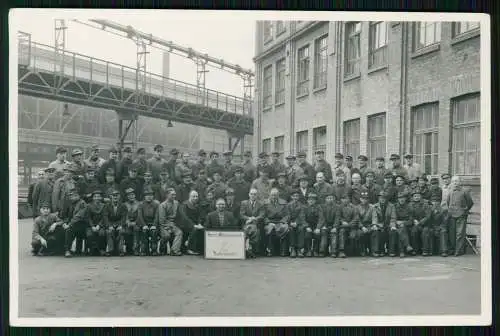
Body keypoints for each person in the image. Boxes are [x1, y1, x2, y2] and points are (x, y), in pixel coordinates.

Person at [443, 176, 474, 256]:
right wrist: (451, 210)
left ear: (460, 182)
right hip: (452, 214)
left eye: (457, 181)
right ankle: (453, 249)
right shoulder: (450, 191)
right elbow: (448, 202)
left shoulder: (465, 191)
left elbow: (470, 203)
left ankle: (458, 251)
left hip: (461, 215)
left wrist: (464, 210)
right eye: (453, 181)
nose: (455, 183)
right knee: (452, 234)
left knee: (460, 233)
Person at [60, 188, 88, 258]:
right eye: (71, 196)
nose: (72, 197)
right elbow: (67, 216)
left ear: (78, 196)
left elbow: (78, 216)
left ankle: (67, 250)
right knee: (64, 228)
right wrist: (64, 223)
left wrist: (69, 225)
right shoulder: (71, 204)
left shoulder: (82, 203)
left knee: (70, 230)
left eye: (75, 195)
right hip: (75, 224)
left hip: (83, 224)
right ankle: (74, 250)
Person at [262, 188, 289, 257]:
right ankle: (270, 250)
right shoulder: (265, 203)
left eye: (276, 195)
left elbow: (287, 215)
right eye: (272, 195)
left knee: (285, 228)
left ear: (278, 195)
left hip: (280, 221)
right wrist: (268, 222)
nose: (274, 196)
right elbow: (263, 215)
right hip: (270, 222)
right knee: (269, 229)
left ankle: (283, 251)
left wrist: (283, 222)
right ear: (270, 195)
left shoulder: (283, 202)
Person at [240, 188, 265, 258]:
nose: (253, 195)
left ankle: (250, 249)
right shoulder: (244, 203)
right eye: (251, 194)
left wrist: (254, 219)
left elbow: (262, 215)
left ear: (257, 195)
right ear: (249, 195)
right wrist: (248, 219)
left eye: (255, 194)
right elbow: (241, 214)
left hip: (256, 224)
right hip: (246, 223)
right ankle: (248, 249)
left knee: (254, 229)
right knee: (249, 228)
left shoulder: (261, 204)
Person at [158, 188, 183, 256]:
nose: (174, 196)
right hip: (164, 224)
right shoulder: (162, 205)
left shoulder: (176, 203)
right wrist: (168, 227)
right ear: (167, 195)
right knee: (166, 235)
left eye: (175, 195)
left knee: (179, 232)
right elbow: (162, 220)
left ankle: (174, 250)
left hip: (174, 224)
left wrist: (175, 225)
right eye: (172, 195)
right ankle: (162, 248)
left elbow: (179, 216)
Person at [103, 189, 128, 256]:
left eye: (117, 195)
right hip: (110, 224)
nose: (115, 197)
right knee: (109, 232)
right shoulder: (107, 206)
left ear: (119, 196)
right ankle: (111, 250)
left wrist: (121, 225)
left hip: (120, 224)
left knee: (121, 231)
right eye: (113, 195)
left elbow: (124, 217)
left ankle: (120, 250)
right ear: (110, 197)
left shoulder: (123, 206)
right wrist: (109, 225)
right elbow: (105, 217)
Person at [333, 193, 359, 258]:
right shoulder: (339, 207)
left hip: (352, 226)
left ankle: (355, 251)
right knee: (342, 232)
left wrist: (350, 224)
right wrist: (342, 221)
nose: (345, 200)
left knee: (353, 235)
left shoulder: (354, 207)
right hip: (343, 226)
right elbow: (338, 217)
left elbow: (356, 218)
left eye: (347, 198)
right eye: (343, 199)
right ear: (341, 200)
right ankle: (341, 251)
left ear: (349, 199)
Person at [179, 190, 204, 255]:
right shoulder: (184, 205)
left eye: (196, 196)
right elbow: (184, 217)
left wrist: (199, 223)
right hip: (185, 225)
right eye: (193, 196)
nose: (195, 198)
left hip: (194, 224)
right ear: (189, 197)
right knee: (195, 229)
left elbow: (200, 216)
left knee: (202, 229)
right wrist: (193, 225)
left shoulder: (197, 206)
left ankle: (200, 249)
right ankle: (190, 249)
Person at [372, 190, 396, 257]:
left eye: (384, 198)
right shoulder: (375, 206)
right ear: (378, 198)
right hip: (379, 225)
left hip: (388, 224)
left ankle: (391, 250)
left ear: (387, 198)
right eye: (381, 198)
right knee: (378, 231)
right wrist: (375, 224)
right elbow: (374, 217)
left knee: (392, 232)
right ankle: (379, 250)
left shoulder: (391, 206)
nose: (382, 199)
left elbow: (393, 217)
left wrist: (392, 225)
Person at [137, 187, 160, 256]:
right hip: (144, 224)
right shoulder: (141, 204)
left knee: (154, 232)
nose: (149, 197)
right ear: (144, 197)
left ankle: (154, 249)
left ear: (153, 196)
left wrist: (154, 225)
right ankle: (144, 250)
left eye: (151, 195)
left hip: (153, 224)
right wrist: (144, 225)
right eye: (147, 195)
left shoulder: (156, 204)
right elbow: (140, 216)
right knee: (144, 232)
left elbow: (157, 216)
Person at [391, 192, 414, 257]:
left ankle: (401, 252)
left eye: (403, 198)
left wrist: (403, 223)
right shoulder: (394, 206)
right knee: (401, 230)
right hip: (396, 225)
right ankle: (407, 246)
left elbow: (411, 220)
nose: (401, 199)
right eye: (400, 198)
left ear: (405, 198)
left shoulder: (409, 207)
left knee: (401, 230)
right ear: (398, 199)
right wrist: (396, 222)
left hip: (407, 225)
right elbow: (392, 217)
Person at [408, 190, 431, 256]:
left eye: (418, 196)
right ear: (412, 197)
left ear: (421, 197)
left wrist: (420, 222)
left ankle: (425, 250)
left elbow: (428, 216)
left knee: (425, 232)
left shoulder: (426, 204)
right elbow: (409, 215)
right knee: (413, 231)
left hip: (425, 224)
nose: (416, 197)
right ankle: (415, 250)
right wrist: (413, 220)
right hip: (415, 224)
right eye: (415, 196)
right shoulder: (410, 205)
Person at [86, 189, 107, 256]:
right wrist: (92, 226)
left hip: (101, 225)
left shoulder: (104, 206)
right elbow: (88, 218)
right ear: (92, 198)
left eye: (98, 196)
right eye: (95, 196)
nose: (97, 198)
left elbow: (104, 217)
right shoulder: (89, 206)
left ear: (101, 198)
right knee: (89, 234)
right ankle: (92, 249)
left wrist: (99, 225)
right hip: (91, 225)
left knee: (102, 233)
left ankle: (102, 249)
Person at [287, 189, 306, 258]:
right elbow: (287, 215)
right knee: (291, 229)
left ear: (299, 197)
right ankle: (292, 249)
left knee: (301, 229)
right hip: (290, 223)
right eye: (294, 196)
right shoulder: (288, 205)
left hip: (299, 222)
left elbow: (302, 215)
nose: (295, 197)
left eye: (297, 196)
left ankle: (299, 249)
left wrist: (296, 222)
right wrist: (291, 222)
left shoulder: (302, 205)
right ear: (291, 197)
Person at [356, 191, 376, 257]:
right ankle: (362, 250)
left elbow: (374, 216)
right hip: (360, 226)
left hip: (369, 224)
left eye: (366, 198)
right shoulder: (357, 207)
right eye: (363, 198)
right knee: (360, 234)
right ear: (360, 199)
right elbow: (357, 219)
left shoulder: (372, 207)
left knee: (374, 232)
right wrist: (362, 227)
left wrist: (374, 225)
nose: (365, 200)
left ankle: (372, 251)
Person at [304, 193, 323, 257]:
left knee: (317, 235)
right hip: (308, 225)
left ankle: (315, 250)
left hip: (316, 225)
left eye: (313, 200)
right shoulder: (304, 207)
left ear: (315, 201)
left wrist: (318, 228)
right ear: (307, 200)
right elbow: (302, 218)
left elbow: (321, 218)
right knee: (307, 235)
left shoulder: (319, 207)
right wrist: (307, 226)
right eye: (309, 200)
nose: (311, 201)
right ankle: (308, 250)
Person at [124, 187, 141, 255]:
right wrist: (127, 221)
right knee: (127, 231)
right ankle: (129, 248)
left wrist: (135, 222)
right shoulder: (125, 204)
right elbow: (124, 215)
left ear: (135, 195)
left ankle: (136, 249)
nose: (131, 196)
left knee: (136, 230)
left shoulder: (139, 204)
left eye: (132, 195)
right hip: (127, 222)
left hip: (137, 222)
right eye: (129, 195)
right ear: (127, 196)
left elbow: (140, 215)